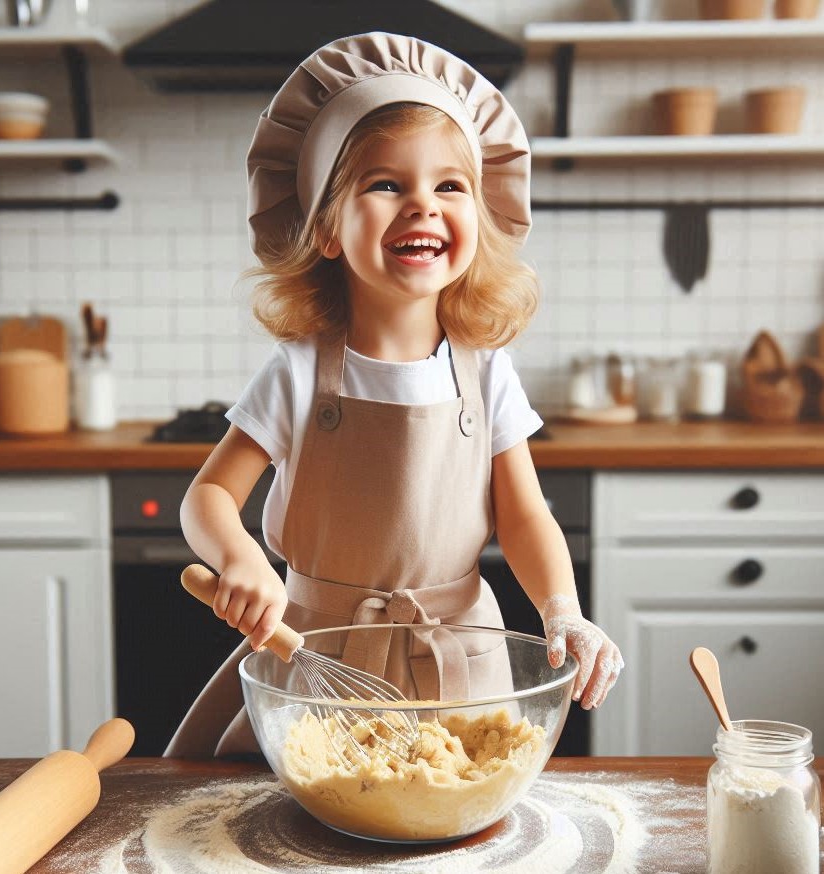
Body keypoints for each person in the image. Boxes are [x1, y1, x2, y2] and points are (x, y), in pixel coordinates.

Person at [166, 31, 623, 759]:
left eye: (449, 186)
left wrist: (562, 611)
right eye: (385, 185)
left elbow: (525, 514)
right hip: (312, 655)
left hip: (458, 660)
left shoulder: (485, 370)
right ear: (324, 228)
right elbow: (207, 498)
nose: (422, 206)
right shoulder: (297, 373)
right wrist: (242, 558)